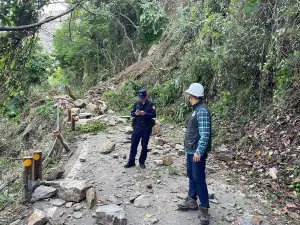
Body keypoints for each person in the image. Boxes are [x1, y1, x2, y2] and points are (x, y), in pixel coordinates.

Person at [178, 83, 212, 225]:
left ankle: (204, 207)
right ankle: (192, 200)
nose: (189, 98)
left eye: (190, 96)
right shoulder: (196, 110)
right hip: (191, 150)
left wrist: (199, 151)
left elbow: (205, 134)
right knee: (192, 176)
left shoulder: (202, 111)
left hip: (196, 152)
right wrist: (189, 150)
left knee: (199, 178)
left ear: (194, 96)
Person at [124, 89, 156, 169]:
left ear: (146, 96)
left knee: (144, 146)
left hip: (146, 127)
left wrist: (145, 114)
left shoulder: (151, 104)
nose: (141, 99)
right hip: (137, 127)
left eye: (143, 97)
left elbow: (154, 115)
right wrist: (135, 113)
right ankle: (131, 161)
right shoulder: (137, 103)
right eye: (140, 97)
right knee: (133, 144)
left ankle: (142, 162)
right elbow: (132, 113)